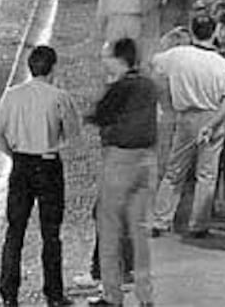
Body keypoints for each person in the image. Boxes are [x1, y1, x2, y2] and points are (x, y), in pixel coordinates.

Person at [0, 45, 80, 307]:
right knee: (51, 233)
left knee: (14, 231)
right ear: (53, 68)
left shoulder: (12, 95)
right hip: (49, 165)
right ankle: (53, 294)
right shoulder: (60, 96)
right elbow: (73, 133)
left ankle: (9, 295)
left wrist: (13, 155)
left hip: (21, 165)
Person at [86, 38, 158, 307]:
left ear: (119, 60)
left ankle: (112, 295)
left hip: (120, 161)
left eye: (107, 57)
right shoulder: (149, 85)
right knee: (140, 233)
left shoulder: (120, 88)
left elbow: (98, 115)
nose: (104, 61)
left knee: (110, 230)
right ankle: (145, 296)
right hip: (147, 161)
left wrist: (109, 86)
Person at [151, 13, 225, 237]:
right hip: (213, 117)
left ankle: (161, 219)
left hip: (186, 117)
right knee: (207, 175)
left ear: (193, 31)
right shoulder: (223, 64)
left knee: (175, 171)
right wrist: (213, 123)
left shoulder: (177, 56)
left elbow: (154, 64)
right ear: (214, 32)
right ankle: (198, 224)